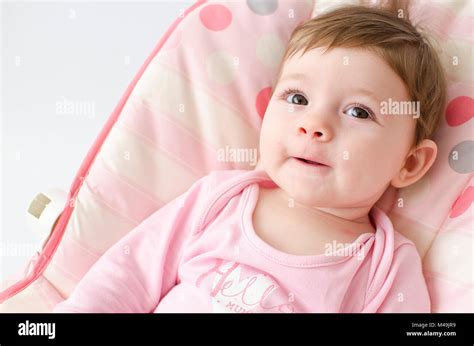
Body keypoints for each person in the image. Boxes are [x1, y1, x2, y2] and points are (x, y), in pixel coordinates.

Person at [53, 3, 446, 313]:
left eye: (358, 112)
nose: (314, 125)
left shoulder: (384, 266)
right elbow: (131, 273)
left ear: (409, 164)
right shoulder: (219, 199)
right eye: (297, 99)